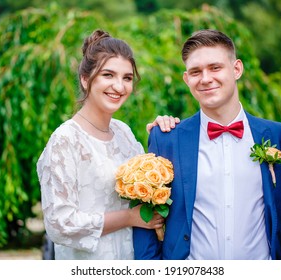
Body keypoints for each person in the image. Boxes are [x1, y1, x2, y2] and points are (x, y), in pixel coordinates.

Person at [133, 29, 281, 260]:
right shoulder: (166, 138)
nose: (206, 78)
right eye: (196, 72)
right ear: (187, 79)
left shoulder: (280, 135)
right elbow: (146, 216)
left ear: (236, 69)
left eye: (215, 68)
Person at [36, 29, 179, 260]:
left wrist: (164, 136)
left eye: (127, 78)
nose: (119, 87)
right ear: (85, 79)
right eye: (108, 75)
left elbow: (151, 192)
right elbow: (59, 224)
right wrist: (128, 218)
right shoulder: (65, 140)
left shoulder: (124, 133)